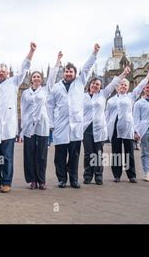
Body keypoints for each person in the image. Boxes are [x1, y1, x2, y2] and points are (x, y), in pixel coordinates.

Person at [47, 43, 99, 189]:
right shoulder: (57, 87)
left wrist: (94, 53)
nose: (69, 73)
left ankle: (74, 179)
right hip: (61, 126)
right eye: (67, 71)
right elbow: (49, 105)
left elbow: (87, 67)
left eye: (71, 71)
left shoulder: (80, 82)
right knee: (60, 156)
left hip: (76, 125)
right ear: (63, 73)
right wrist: (51, 123)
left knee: (74, 155)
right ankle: (62, 179)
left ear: (75, 73)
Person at [0, 42, 35, 193]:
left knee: (7, 157)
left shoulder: (13, 83)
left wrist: (31, 52)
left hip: (7, 127)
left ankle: (6, 182)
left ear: (8, 73)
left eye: (3, 71)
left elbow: (24, 69)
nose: (1, 73)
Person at [82, 66, 129, 185]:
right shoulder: (83, 96)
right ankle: (87, 175)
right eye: (93, 83)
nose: (95, 86)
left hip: (99, 128)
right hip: (86, 128)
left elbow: (114, 83)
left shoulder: (103, 94)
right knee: (88, 154)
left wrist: (124, 73)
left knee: (98, 153)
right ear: (89, 85)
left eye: (97, 84)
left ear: (100, 87)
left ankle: (98, 176)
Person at [106, 69, 149, 183]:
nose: (123, 86)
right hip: (114, 129)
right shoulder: (111, 100)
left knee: (129, 152)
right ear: (117, 87)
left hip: (127, 128)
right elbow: (106, 115)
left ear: (128, 87)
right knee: (116, 153)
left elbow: (141, 85)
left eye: (125, 85)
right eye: (121, 84)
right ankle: (117, 175)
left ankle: (131, 175)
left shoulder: (131, 97)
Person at [21, 51, 60, 190]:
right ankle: (32, 180)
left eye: (38, 76)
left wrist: (58, 60)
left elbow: (53, 77)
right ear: (31, 79)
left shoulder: (46, 90)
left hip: (43, 125)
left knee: (42, 154)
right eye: (34, 76)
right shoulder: (25, 93)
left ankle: (41, 180)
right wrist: (21, 130)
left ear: (41, 79)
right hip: (29, 127)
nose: (36, 78)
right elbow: (23, 109)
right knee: (29, 154)